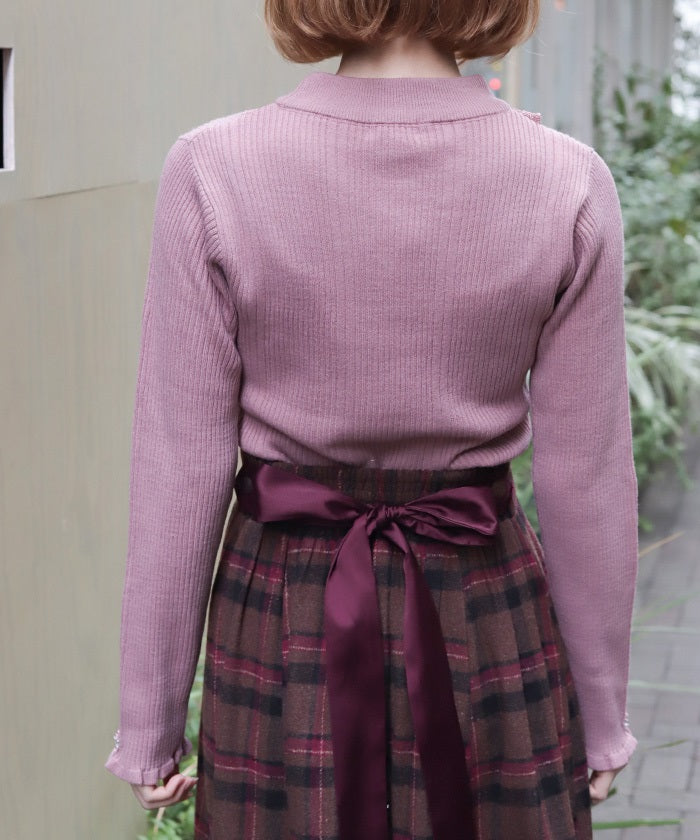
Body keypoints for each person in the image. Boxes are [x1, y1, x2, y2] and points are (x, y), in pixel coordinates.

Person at [104, 1, 639, 837]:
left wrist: (149, 726)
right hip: (484, 598)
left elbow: (181, 462)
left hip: (282, 603)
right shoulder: (567, 178)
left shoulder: (213, 167)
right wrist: (602, 717)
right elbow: (587, 472)